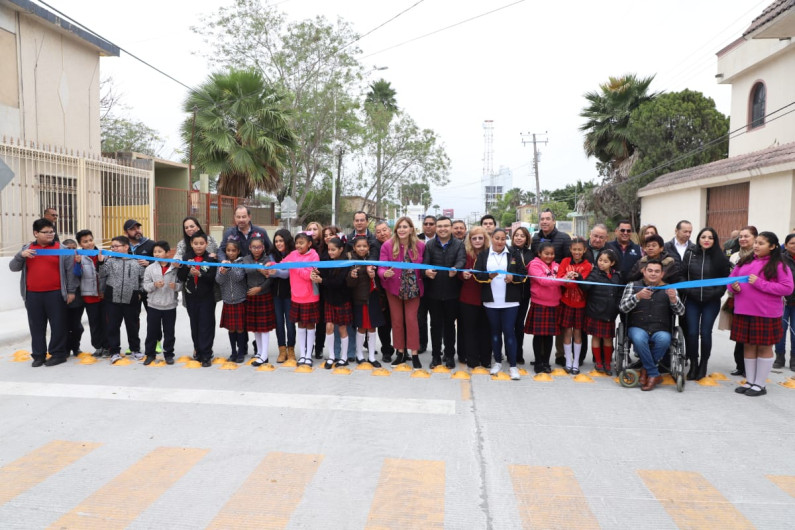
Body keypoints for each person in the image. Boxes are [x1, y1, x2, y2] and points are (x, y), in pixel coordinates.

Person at [730, 232, 794, 396]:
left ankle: (760, 384)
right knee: (748, 346)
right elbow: (731, 279)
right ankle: (750, 381)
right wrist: (733, 287)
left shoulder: (779, 265)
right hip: (743, 310)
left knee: (765, 348)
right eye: (756, 242)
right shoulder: (744, 261)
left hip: (766, 313)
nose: (756, 246)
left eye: (761, 243)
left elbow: (787, 288)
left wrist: (760, 283)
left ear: (772, 247)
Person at [9, 218, 77, 367]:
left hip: (56, 293)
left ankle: (58, 354)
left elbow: (70, 272)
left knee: (58, 325)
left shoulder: (62, 249)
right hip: (32, 295)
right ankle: (38, 355)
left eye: (52, 231)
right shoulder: (27, 249)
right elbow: (13, 267)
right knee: (36, 326)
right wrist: (21, 256)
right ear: (35, 233)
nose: (50, 234)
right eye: (45, 232)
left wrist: (71, 291)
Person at [619, 260, 685, 391]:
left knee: (664, 339)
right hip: (638, 325)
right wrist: (637, 296)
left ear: (662, 274)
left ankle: (645, 370)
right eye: (650, 271)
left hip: (661, 327)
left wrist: (674, 300)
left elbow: (681, 312)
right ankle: (654, 374)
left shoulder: (670, 288)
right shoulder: (633, 286)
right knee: (639, 338)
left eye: (656, 271)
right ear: (643, 271)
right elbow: (622, 308)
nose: (653, 274)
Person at [474, 228, 525, 380]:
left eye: (503, 239)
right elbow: (477, 275)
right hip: (491, 301)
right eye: (497, 238)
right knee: (495, 333)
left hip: (510, 302)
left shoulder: (514, 254)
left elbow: (523, 274)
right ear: (491, 238)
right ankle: (497, 362)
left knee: (509, 332)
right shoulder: (483, 255)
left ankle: (513, 366)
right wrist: (488, 276)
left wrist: (513, 278)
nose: (500, 241)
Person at [682, 227, 731, 380]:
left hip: (711, 301)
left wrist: (716, 293)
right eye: (703, 237)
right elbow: (682, 275)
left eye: (710, 237)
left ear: (714, 240)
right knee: (691, 332)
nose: (706, 240)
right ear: (699, 239)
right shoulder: (690, 254)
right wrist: (688, 291)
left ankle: (703, 364)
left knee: (705, 333)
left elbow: (725, 280)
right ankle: (694, 363)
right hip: (692, 300)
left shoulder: (720, 257)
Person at [378, 216, 425, 368]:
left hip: (413, 289)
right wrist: (384, 274)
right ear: (396, 230)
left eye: (405, 227)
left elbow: (426, 266)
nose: (402, 230)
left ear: (411, 229)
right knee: (397, 321)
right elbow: (381, 267)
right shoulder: (387, 245)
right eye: (399, 227)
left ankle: (414, 353)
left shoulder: (420, 246)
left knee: (411, 321)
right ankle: (400, 352)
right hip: (394, 288)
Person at [423, 216, 466, 369]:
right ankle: (435, 356)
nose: (442, 229)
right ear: (436, 228)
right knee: (435, 326)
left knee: (449, 326)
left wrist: (456, 268)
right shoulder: (429, 245)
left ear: (451, 227)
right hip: (433, 293)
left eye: (446, 226)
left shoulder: (459, 244)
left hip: (452, 293)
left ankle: (449, 355)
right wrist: (426, 271)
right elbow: (424, 264)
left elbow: (462, 260)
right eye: (439, 226)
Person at [99, 236, 145, 364]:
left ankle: (135, 349)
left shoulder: (136, 262)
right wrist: (101, 262)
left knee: (132, 326)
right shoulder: (109, 261)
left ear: (126, 247)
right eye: (112, 246)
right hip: (112, 299)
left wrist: (140, 291)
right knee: (113, 326)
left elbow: (143, 278)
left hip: (131, 299)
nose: (113, 248)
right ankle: (114, 351)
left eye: (116, 246)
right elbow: (102, 274)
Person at [176, 233, 218, 367]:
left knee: (206, 325)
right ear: (191, 244)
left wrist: (200, 274)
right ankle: (198, 352)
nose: (198, 246)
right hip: (191, 297)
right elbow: (181, 277)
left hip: (207, 298)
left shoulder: (210, 259)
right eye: (195, 243)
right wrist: (185, 268)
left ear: (206, 244)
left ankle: (206, 355)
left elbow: (212, 278)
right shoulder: (186, 257)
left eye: (201, 243)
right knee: (195, 325)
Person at [313, 237, 353, 368]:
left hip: (342, 300)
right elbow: (325, 275)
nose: (330, 252)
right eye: (329, 249)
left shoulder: (346, 263)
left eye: (333, 250)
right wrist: (318, 273)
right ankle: (331, 356)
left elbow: (338, 282)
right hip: (329, 299)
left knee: (342, 328)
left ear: (341, 249)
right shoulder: (328, 261)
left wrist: (321, 281)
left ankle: (344, 357)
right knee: (329, 327)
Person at [282, 232, 321, 365]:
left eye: (302, 243)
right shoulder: (293, 255)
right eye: (297, 243)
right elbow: (283, 263)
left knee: (310, 324)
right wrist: (271, 265)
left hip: (310, 296)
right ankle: (302, 354)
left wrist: (294, 266)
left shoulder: (314, 256)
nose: (298, 245)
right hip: (296, 296)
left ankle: (309, 355)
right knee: (300, 324)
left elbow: (309, 275)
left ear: (309, 244)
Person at [725, 226, 758, 376]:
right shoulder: (734, 256)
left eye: (747, 236)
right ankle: (740, 365)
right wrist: (733, 286)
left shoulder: (760, 257)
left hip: (756, 301)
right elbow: (730, 278)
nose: (743, 239)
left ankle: (752, 368)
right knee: (740, 335)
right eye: (741, 236)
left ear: (755, 239)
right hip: (737, 299)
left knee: (754, 336)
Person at [581, 249, 621, 374]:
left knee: (608, 338)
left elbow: (619, 293)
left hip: (610, 313)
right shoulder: (594, 274)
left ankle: (607, 363)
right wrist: (580, 278)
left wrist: (617, 306)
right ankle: (598, 362)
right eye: (600, 260)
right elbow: (585, 287)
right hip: (595, 311)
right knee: (596, 337)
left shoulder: (617, 276)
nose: (601, 263)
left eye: (605, 261)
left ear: (612, 263)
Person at [348, 235, 386, 367]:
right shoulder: (352, 262)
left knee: (372, 327)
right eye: (358, 246)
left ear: (369, 247)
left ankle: (371, 356)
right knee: (361, 327)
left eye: (364, 246)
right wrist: (353, 276)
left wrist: (373, 274)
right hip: (360, 299)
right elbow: (350, 284)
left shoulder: (373, 259)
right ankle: (359, 354)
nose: (362, 248)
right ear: (354, 248)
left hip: (373, 297)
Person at [557, 237, 593, 374]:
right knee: (567, 331)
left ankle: (576, 362)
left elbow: (582, 283)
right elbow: (560, 280)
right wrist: (567, 278)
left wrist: (571, 278)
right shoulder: (565, 261)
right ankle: (568, 361)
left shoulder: (587, 265)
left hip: (580, 303)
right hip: (566, 302)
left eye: (580, 249)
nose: (577, 252)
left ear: (584, 250)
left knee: (578, 332)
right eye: (574, 249)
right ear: (570, 249)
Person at [142, 240, 180, 365]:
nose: (156, 254)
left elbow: (181, 285)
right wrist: (154, 285)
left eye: (160, 251)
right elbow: (145, 286)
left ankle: (169, 354)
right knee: (152, 331)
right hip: (154, 306)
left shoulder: (174, 268)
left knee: (169, 332)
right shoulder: (150, 268)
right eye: (155, 252)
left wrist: (176, 286)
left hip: (170, 306)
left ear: (168, 253)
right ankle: (150, 354)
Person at [459, 227, 492, 369]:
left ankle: (485, 359)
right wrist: (462, 275)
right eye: (474, 238)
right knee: (469, 330)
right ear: (470, 240)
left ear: (485, 239)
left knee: (486, 330)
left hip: (487, 297)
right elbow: (458, 269)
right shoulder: (465, 254)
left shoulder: (491, 254)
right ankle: (471, 359)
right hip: (468, 297)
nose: (477, 241)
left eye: (480, 238)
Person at [526, 242, 561, 374]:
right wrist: (562, 279)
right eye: (546, 253)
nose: (549, 256)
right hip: (540, 304)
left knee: (549, 336)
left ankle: (546, 362)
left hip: (554, 304)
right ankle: (538, 361)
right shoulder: (534, 265)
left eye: (552, 254)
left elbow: (563, 276)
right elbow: (543, 281)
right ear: (539, 254)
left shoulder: (557, 266)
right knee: (539, 335)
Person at [242, 236, 275, 367]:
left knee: (264, 327)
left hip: (263, 294)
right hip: (251, 295)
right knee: (255, 327)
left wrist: (260, 288)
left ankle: (265, 355)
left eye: (259, 247)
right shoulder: (246, 259)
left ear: (263, 248)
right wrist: (259, 268)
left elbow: (271, 277)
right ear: (250, 248)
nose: (257, 250)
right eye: (254, 247)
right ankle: (259, 352)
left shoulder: (268, 260)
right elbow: (246, 269)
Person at [76, 229, 107, 357]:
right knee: (94, 323)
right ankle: (98, 347)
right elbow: (77, 274)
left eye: (90, 240)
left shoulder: (103, 254)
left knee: (106, 322)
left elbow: (106, 273)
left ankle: (108, 346)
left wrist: (101, 262)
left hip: (104, 295)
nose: (89, 243)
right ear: (80, 244)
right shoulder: (79, 256)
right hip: (89, 297)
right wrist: (77, 263)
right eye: (85, 241)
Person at [267, 229, 296, 363]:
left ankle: (291, 349)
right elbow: (275, 271)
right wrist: (277, 271)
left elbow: (287, 274)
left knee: (290, 324)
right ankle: (282, 350)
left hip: (291, 293)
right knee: (279, 322)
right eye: (276, 241)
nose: (278, 243)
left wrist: (276, 271)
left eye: (281, 240)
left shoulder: (294, 254)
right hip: (276, 294)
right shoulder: (272, 254)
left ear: (287, 240)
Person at [216, 240, 248, 363]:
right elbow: (219, 280)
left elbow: (239, 277)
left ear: (238, 251)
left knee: (240, 328)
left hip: (240, 300)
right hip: (228, 300)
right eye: (228, 250)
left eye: (233, 250)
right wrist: (223, 271)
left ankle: (241, 351)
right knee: (231, 328)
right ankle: (233, 352)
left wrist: (230, 268)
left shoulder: (241, 263)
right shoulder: (221, 264)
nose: (231, 253)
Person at [510, 227, 534, 364]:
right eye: (516, 235)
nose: (519, 238)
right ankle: (509, 352)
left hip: (524, 295)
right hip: (510, 294)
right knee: (509, 325)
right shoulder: (508, 251)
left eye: (522, 236)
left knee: (519, 325)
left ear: (526, 239)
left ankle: (518, 353)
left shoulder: (531, 254)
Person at [374, 221, 395, 362]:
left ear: (390, 230)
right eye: (378, 231)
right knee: (384, 323)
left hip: (399, 288)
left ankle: (402, 350)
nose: (382, 233)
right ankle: (386, 350)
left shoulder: (399, 243)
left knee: (400, 322)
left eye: (384, 230)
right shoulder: (374, 246)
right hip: (382, 290)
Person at [61, 238, 84, 357]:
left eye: (73, 248)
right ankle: (65, 349)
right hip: (61, 297)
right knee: (63, 326)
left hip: (77, 297)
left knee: (76, 326)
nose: (70, 251)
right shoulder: (59, 261)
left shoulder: (80, 259)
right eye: (68, 249)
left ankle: (75, 347)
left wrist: (78, 263)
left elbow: (79, 274)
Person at [775, 233, 795, 369]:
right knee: (780, 330)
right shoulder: (779, 260)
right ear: (786, 245)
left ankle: (794, 359)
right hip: (783, 301)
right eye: (792, 243)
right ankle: (779, 357)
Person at [416, 215, 436, 353]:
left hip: (437, 285)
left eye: (431, 224)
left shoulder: (441, 240)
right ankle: (422, 344)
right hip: (420, 284)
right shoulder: (416, 239)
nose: (428, 226)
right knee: (420, 318)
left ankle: (437, 347)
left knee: (436, 320)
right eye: (426, 224)